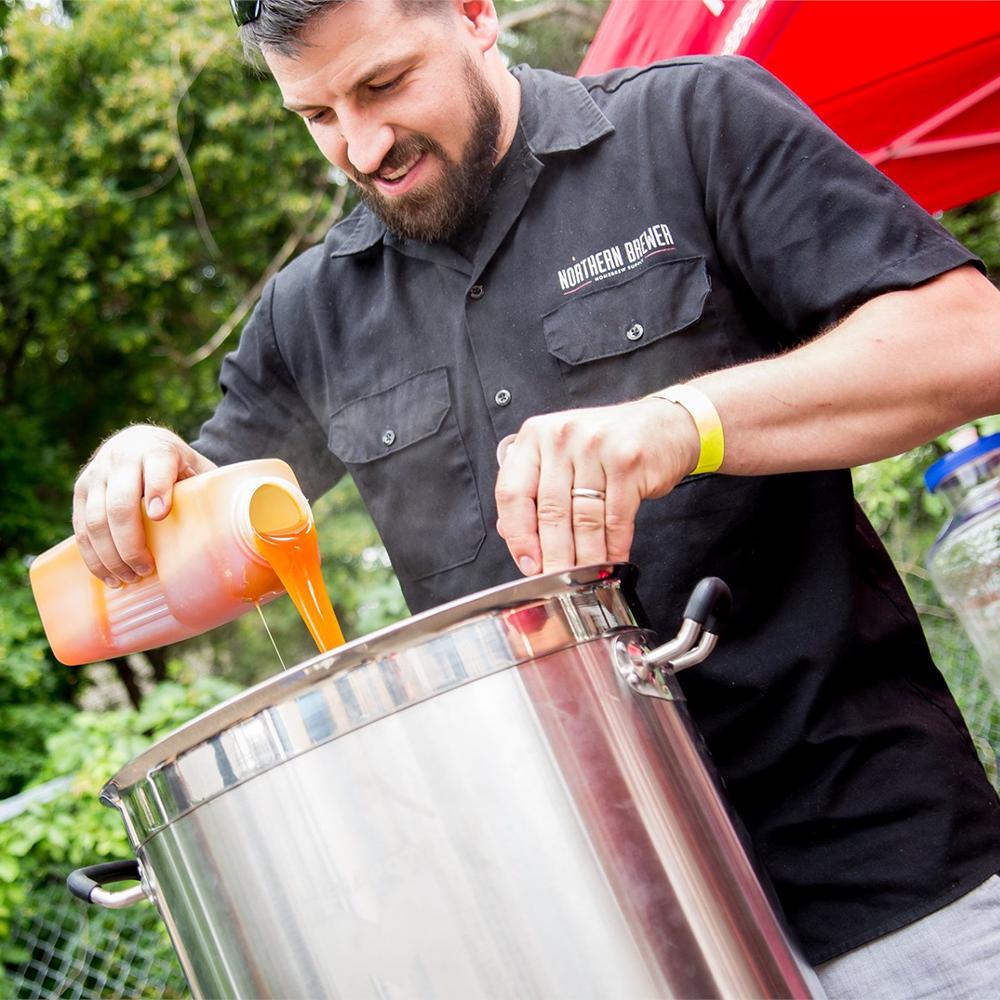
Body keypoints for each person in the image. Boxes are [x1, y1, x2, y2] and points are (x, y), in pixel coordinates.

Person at [72, 0, 1000, 993]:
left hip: (887, 875)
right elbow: (211, 527)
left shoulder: (691, 125)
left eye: (383, 85)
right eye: (318, 115)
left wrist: (681, 422)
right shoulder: (311, 316)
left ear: (474, 15)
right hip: (600, 935)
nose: (363, 145)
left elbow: (968, 341)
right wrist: (139, 468)